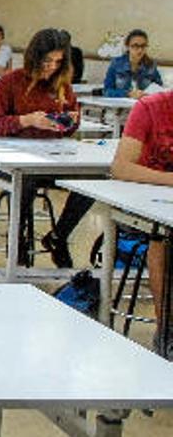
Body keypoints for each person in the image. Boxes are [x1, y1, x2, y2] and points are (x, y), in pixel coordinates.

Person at [0, 28, 90, 268]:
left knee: (90, 182)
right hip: (13, 160)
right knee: (27, 181)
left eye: (57, 62)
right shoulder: (9, 82)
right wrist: (26, 120)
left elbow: (69, 128)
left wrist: (70, 122)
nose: (51, 67)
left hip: (51, 157)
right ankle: (18, 241)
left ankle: (59, 236)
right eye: (47, 61)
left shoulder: (62, 85)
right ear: (34, 58)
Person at [109, 90, 173, 358]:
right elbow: (121, 168)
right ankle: (167, 330)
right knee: (163, 240)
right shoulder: (151, 108)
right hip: (145, 209)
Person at [104, 29, 162, 98]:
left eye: (143, 46)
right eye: (136, 46)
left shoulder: (150, 65)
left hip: (144, 105)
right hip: (121, 106)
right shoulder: (116, 64)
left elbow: (159, 89)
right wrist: (128, 94)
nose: (140, 50)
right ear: (128, 47)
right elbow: (107, 91)